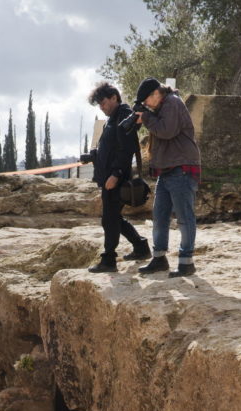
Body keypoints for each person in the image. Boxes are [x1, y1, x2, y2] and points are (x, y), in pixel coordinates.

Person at [133, 77, 202, 278]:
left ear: (156, 93)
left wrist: (145, 117)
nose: (146, 105)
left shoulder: (172, 102)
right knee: (160, 216)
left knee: (184, 217)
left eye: (146, 101)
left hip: (181, 167)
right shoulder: (163, 107)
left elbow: (167, 131)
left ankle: (186, 262)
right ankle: (159, 258)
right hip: (167, 168)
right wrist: (146, 115)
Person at [84, 82, 151, 273]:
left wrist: (116, 174)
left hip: (116, 178)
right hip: (108, 178)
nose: (102, 107)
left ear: (114, 97)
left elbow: (126, 149)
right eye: (99, 105)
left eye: (103, 102)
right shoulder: (113, 118)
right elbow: (112, 148)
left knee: (110, 218)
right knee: (112, 217)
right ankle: (140, 246)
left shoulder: (124, 115)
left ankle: (109, 260)